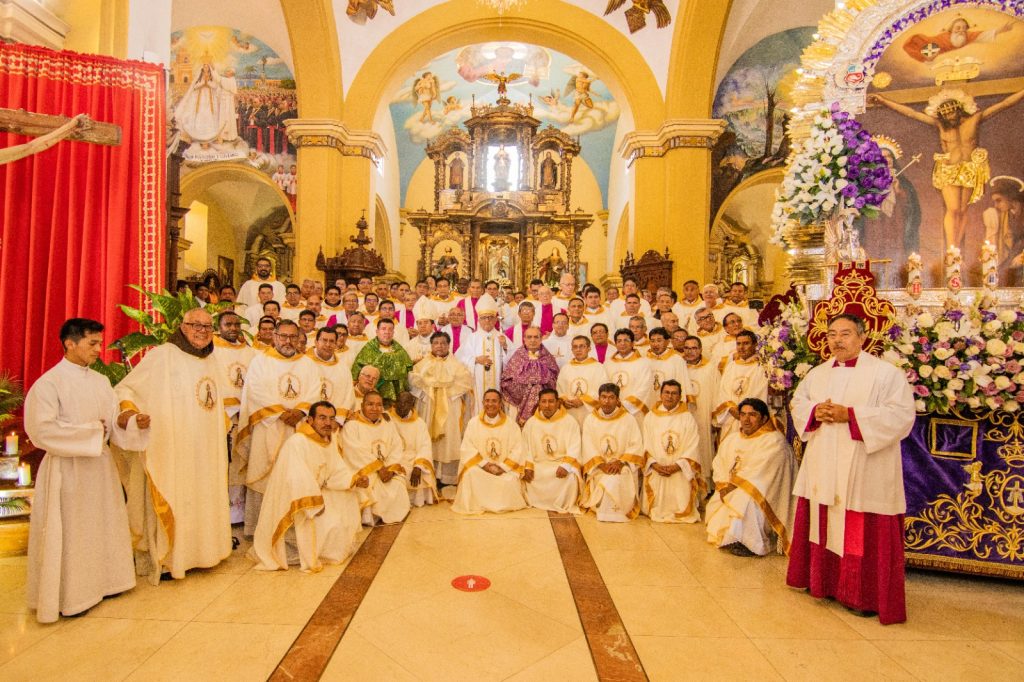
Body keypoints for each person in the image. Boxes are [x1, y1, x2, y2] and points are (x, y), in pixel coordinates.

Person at [787, 314, 915, 625]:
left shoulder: (885, 374)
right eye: (832, 334)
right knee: (824, 518)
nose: (837, 340)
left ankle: (860, 595)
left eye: (845, 334)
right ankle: (824, 583)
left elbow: (901, 416)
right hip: (824, 461)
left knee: (858, 526)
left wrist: (852, 416)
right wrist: (815, 411)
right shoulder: (817, 374)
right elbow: (798, 403)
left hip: (864, 466)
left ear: (862, 337)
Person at [24, 318, 150, 623]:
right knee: (73, 531)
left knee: (102, 525)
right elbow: (42, 430)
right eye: (92, 343)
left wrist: (131, 422)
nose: (98, 350)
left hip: (100, 467)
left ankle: (109, 581)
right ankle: (73, 593)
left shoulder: (100, 382)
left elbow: (113, 421)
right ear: (70, 342)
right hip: (67, 471)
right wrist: (92, 432)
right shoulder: (49, 384)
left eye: (99, 343)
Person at [115, 308, 231, 583]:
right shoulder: (163, 356)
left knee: (204, 496)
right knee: (180, 496)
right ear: (182, 327)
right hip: (174, 447)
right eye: (195, 325)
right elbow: (127, 389)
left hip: (207, 448)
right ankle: (173, 559)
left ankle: (207, 552)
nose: (202, 331)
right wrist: (132, 415)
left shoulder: (212, 359)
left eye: (207, 326)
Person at [869, 87, 1024, 250]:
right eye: (945, 114)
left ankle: (955, 247)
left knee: (962, 210)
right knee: (953, 209)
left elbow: (1004, 103)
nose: (949, 117)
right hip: (949, 169)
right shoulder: (941, 125)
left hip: (969, 169)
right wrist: (885, 101)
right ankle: (952, 247)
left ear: (959, 109)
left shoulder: (974, 120)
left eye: (951, 113)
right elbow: (912, 113)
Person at [252, 401, 362, 572]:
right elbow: (297, 478)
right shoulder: (298, 442)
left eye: (331, 418)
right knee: (332, 524)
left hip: (316, 495)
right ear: (310, 420)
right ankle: (299, 550)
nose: (327, 423)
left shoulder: (328, 440)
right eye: (322, 418)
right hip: (295, 503)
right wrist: (314, 504)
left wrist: (353, 480)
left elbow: (336, 470)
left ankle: (324, 549)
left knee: (348, 501)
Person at [236, 319, 321, 536]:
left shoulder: (308, 363)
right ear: (274, 337)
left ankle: (295, 524)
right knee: (266, 473)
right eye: (283, 336)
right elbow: (255, 391)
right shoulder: (260, 362)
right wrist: (281, 413)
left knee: (297, 473)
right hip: (269, 427)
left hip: (299, 428)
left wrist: (301, 411)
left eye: (293, 337)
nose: (287, 341)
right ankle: (260, 528)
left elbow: (314, 390)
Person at [706, 398, 795, 557]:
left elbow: (761, 471)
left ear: (764, 418)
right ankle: (732, 537)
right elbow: (719, 463)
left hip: (764, 492)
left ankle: (750, 543)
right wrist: (722, 485)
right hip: (729, 488)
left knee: (745, 498)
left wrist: (733, 486)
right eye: (743, 414)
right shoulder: (733, 438)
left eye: (752, 415)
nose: (746, 419)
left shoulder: (774, 441)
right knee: (724, 505)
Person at [408, 331, 474, 490]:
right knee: (428, 439)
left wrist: (443, 389)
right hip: (428, 406)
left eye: (443, 343)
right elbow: (413, 381)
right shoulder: (422, 364)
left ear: (448, 345)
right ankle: (430, 473)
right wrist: (430, 389)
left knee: (449, 440)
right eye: (436, 343)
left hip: (450, 407)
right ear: (431, 345)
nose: (439, 346)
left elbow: (465, 382)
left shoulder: (457, 365)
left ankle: (446, 477)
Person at [453, 389, 528, 514]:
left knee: (510, 479)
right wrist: (486, 465)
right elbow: (467, 448)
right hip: (481, 468)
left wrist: (502, 467)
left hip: (503, 469)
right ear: (483, 402)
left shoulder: (511, 425)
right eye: (487, 401)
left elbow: (518, 449)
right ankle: (479, 504)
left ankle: (499, 504)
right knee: (471, 474)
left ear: (500, 404)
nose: (490, 404)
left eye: (494, 401)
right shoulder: (473, 423)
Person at [212, 310, 256, 524]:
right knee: (222, 464)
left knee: (240, 463)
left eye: (236, 325)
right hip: (220, 418)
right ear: (218, 327)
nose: (233, 328)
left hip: (245, 416)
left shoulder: (250, 352)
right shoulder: (210, 351)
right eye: (228, 324)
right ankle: (219, 512)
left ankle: (237, 512)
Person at [342, 391, 412, 525]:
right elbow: (355, 452)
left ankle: (386, 513)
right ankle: (370, 516)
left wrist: (391, 469)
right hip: (365, 470)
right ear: (362, 405)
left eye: (379, 405)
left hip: (386, 469)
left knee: (397, 482)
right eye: (370, 404)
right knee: (368, 484)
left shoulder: (387, 423)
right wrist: (378, 468)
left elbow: (396, 446)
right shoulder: (352, 425)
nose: (375, 408)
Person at [581, 383, 644, 522]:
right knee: (606, 478)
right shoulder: (591, 420)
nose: (606, 401)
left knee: (615, 479)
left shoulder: (628, 419)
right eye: (603, 397)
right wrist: (601, 464)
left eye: (611, 398)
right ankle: (603, 512)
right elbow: (588, 445)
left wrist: (620, 462)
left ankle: (619, 512)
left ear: (617, 400)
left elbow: (636, 444)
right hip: (599, 466)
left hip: (623, 466)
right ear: (599, 399)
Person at [641, 380, 702, 524]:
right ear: (661, 395)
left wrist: (677, 466)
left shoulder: (687, 418)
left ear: (680, 397)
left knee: (681, 488)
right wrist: (654, 464)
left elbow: (692, 446)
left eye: (674, 393)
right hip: (656, 467)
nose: (670, 396)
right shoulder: (651, 416)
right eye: (666, 393)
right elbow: (645, 444)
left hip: (680, 469)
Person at [522, 389, 583, 513]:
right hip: (539, 464)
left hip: (561, 464)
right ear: (538, 403)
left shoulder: (569, 421)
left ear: (558, 403)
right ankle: (536, 502)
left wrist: (566, 466)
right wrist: (528, 466)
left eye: (551, 401)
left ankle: (561, 503)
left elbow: (575, 446)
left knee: (570, 477)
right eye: (543, 401)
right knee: (528, 477)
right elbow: (524, 447)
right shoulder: (531, 423)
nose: (547, 405)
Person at [455, 294, 508, 415]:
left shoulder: (502, 337)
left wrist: (505, 347)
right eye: (484, 318)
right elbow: (459, 358)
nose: (487, 320)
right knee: (478, 408)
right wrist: (475, 360)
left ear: (495, 319)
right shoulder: (472, 337)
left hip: (497, 382)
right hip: (476, 382)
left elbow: (513, 360)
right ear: (479, 320)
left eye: (490, 317)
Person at [712, 330, 768, 441]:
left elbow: (761, 392)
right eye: (738, 344)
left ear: (755, 345)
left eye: (746, 343)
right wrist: (731, 408)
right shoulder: (731, 366)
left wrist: (746, 413)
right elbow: (722, 391)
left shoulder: (762, 367)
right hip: (731, 417)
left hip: (752, 419)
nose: (741, 347)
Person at [680, 335, 718, 490]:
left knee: (704, 447)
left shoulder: (710, 368)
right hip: (684, 415)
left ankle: (706, 486)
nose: (690, 352)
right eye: (687, 348)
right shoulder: (680, 367)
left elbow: (717, 392)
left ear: (701, 349)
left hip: (703, 414)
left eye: (694, 348)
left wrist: (714, 417)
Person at [501, 326, 560, 425]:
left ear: (541, 339)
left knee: (537, 388)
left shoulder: (547, 357)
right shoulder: (518, 356)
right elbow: (507, 378)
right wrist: (527, 386)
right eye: (529, 337)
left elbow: (555, 377)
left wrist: (537, 384)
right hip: (519, 396)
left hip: (542, 402)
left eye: (536, 337)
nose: (532, 340)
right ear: (524, 339)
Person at [391, 392, 437, 507]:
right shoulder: (387, 419)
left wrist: (418, 466)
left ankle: (416, 500)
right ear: (395, 403)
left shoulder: (419, 423)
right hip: (393, 458)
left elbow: (425, 446)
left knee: (418, 471)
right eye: (400, 402)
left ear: (412, 404)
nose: (402, 405)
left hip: (413, 458)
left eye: (406, 403)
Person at [352, 319, 413, 405]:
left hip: (394, 397)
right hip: (370, 396)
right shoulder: (368, 349)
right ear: (377, 331)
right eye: (383, 329)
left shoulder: (400, 351)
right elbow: (356, 372)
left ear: (393, 332)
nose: (387, 332)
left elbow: (408, 370)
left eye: (390, 329)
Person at [606, 329, 654, 426]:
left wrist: (624, 405)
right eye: (619, 341)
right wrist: (611, 404)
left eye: (626, 340)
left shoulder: (643, 363)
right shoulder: (608, 364)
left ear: (632, 343)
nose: (622, 343)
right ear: (615, 344)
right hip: (612, 410)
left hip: (634, 412)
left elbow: (645, 388)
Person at [557, 336, 608, 427]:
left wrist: (583, 400)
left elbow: (603, 391)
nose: (578, 349)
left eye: (582, 346)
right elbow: (559, 389)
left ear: (589, 348)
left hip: (590, 412)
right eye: (575, 347)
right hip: (570, 413)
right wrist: (564, 401)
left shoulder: (598, 367)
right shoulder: (566, 368)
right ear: (572, 350)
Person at [306, 327, 355, 418]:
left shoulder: (343, 369)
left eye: (332, 341)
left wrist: (338, 420)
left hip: (334, 422)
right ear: (316, 342)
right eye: (324, 340)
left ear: (336, 344)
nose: (328, 344)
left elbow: (349, 398)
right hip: (308, 419)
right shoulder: (304, 364)